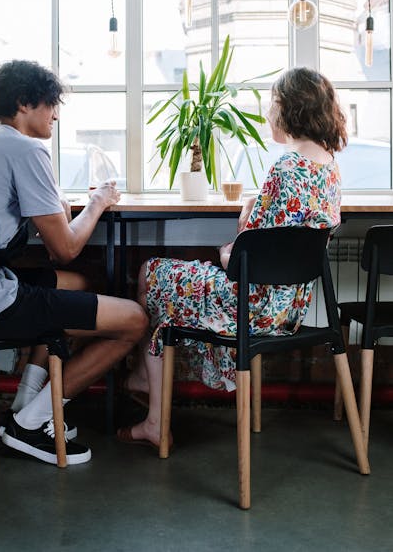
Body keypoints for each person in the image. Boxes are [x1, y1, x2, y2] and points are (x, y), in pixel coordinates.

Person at [0, 59, 148, 465]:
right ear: (25, 103)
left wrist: (53, 208)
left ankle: (26, 409)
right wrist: (96, 202)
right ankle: (32, 423)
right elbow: (65, 248)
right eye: (50, 104)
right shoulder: (28, 149)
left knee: (73, 284)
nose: (56, 114)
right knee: (133, 320)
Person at [118, 66, 347, 449]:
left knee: (150, 272)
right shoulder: (329, 168)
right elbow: (286, 235)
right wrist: (255, 211)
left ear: (291, 108)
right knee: (164, 287)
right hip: (289, 310)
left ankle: (150, 398)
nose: (268, 114)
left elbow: (243, 260)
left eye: (273, 104)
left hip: (252, 307)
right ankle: (147, 384)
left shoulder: (284, 169)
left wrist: (229, 249)